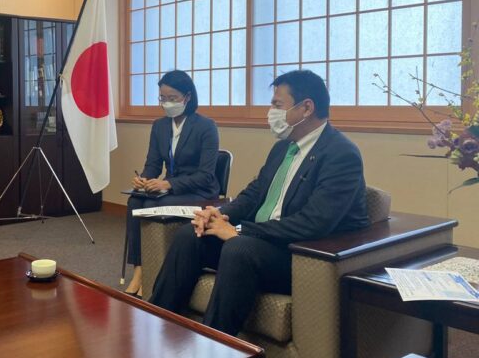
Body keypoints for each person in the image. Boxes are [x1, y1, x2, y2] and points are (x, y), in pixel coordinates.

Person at [149, 69, 368, 335]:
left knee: (239, 248)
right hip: (261, 240)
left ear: (306, 108)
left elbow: (314, 222)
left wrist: (240, 231)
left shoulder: (340, 154)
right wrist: (218, 215)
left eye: (277, 105)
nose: (271, 112)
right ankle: (156, 323)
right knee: (190, 234)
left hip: (296, 254)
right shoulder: (283, 147)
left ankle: (215, 345)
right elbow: (253, 194)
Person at [123, 70, 220, 297]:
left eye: (172, 98)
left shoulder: (206, 126)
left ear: (187, 97)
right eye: (163, 98)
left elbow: (205, 175)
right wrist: (143, 179)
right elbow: (153, 164)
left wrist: (167, 184)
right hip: (170, 188)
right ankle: (140, 269)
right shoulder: (159, 126)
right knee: (135, 201)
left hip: (199, 191)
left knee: (150, 206)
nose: (167, 103)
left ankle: (153, 270)